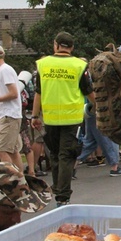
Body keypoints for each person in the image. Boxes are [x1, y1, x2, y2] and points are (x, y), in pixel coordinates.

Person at [30, 32, 94, 207]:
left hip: (50, 119)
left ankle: (59, 188)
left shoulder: (43, 65)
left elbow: (38, 92)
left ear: (55, 45)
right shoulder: (79, 65)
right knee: (67, 156)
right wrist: (99, 108)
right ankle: (63, 196)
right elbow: (88, 90)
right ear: (71, 47)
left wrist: (35, 116)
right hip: (72, 119)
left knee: (56, 156)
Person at [74, 98, 121, 177]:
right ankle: (114, 167)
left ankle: (70, 166)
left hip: (91, 109)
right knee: (109, 136)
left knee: (90, 141)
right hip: (102, 108)